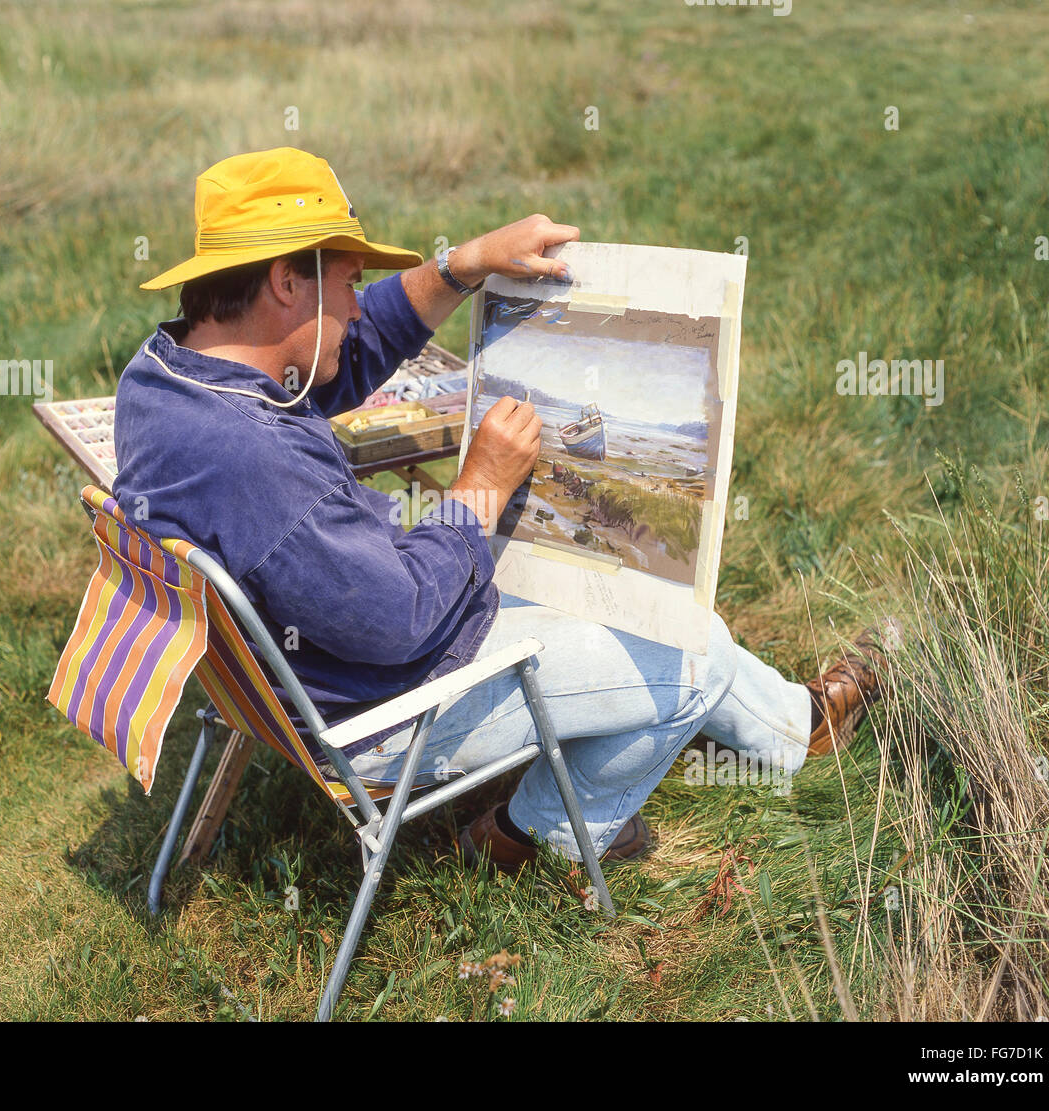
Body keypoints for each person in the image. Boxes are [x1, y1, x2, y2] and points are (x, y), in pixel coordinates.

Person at [114, 147, 890, 870]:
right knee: (691, 655)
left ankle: (797, 727)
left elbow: (337, 363)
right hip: (378, 711)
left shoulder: (165, 378)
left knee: (666, 611)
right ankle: (529, 834)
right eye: (349, 282)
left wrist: (462, 265)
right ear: (287, 282)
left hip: (315, 660)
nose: (357, 309)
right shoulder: (257, 459)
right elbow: (401, 618)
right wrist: (480, 485)